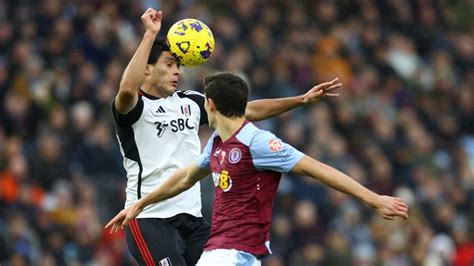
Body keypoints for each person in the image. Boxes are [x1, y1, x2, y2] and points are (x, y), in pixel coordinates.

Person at [111, 8, 341, 266]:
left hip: (192, 218)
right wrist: (150, 35)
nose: (178, 72)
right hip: (150, 219)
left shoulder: (190, 102)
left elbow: (249, 110)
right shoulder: (135, 108)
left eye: (179, 65)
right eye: (169, 64)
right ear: (147, 70)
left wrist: (302, 99)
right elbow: (127, 88)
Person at [106, 72, 409, 266]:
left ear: (210, 105)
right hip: (220, 252)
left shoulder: (259, 143)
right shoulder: (216, 144)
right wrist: (139, 204)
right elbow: (184, 179)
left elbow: (317, 169)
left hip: (234, 253)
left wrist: (373, 199)